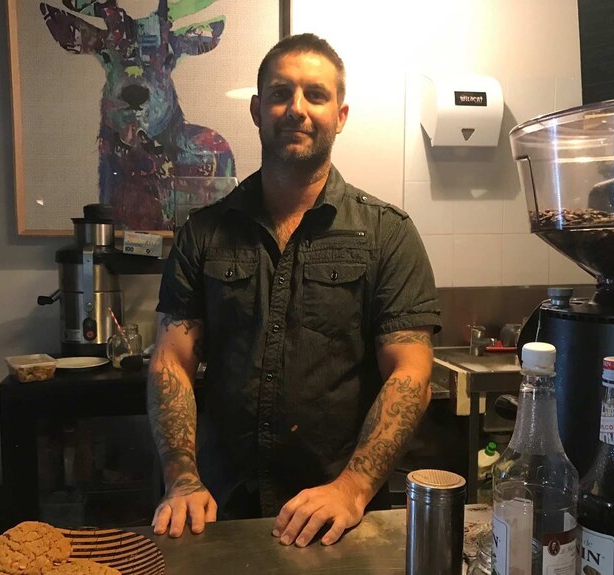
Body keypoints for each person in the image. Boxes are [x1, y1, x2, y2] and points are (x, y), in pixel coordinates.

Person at [148, 32, 441, 548]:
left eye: (316, 95)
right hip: (217, 510)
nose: (297, 109)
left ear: (341, 115)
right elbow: (172, 361)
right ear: (259, 110)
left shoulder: (387, 233)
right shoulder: (204, 233)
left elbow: (410, 372)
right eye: (281, 93)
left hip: (342, 518)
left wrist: (352, 489)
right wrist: (181, 479)